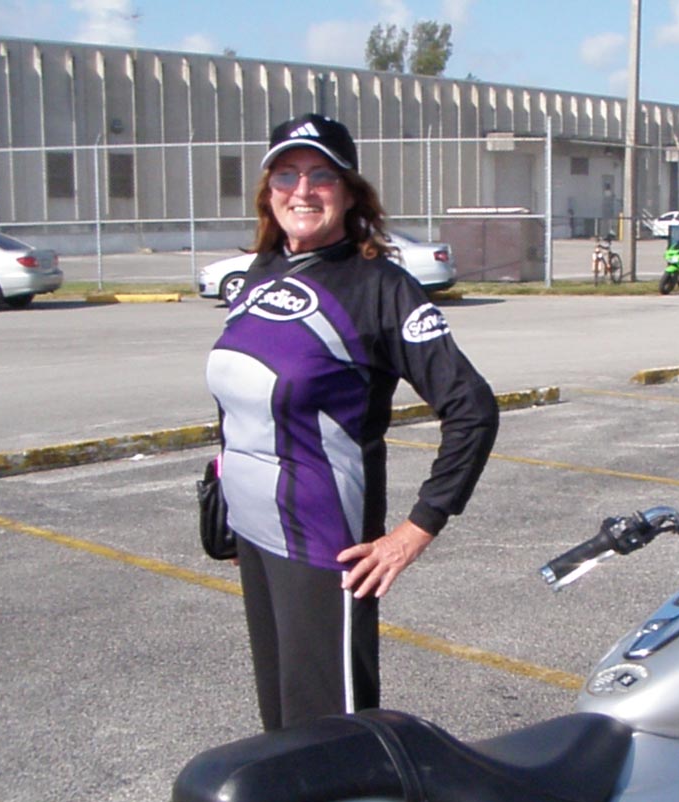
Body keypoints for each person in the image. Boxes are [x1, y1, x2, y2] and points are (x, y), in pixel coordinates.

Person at [206, 113, 499, 730]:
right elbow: (239, 395)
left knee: (331, 733)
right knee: (281, 724)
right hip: (257, 533)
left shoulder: (379, 287)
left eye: (321, 175)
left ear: (349, 192)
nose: (302, 190)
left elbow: (471, 408)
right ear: (268, 190)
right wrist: (225, 497)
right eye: (286, 174)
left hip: (323, 542)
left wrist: (416, 529)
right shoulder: (261, 272)